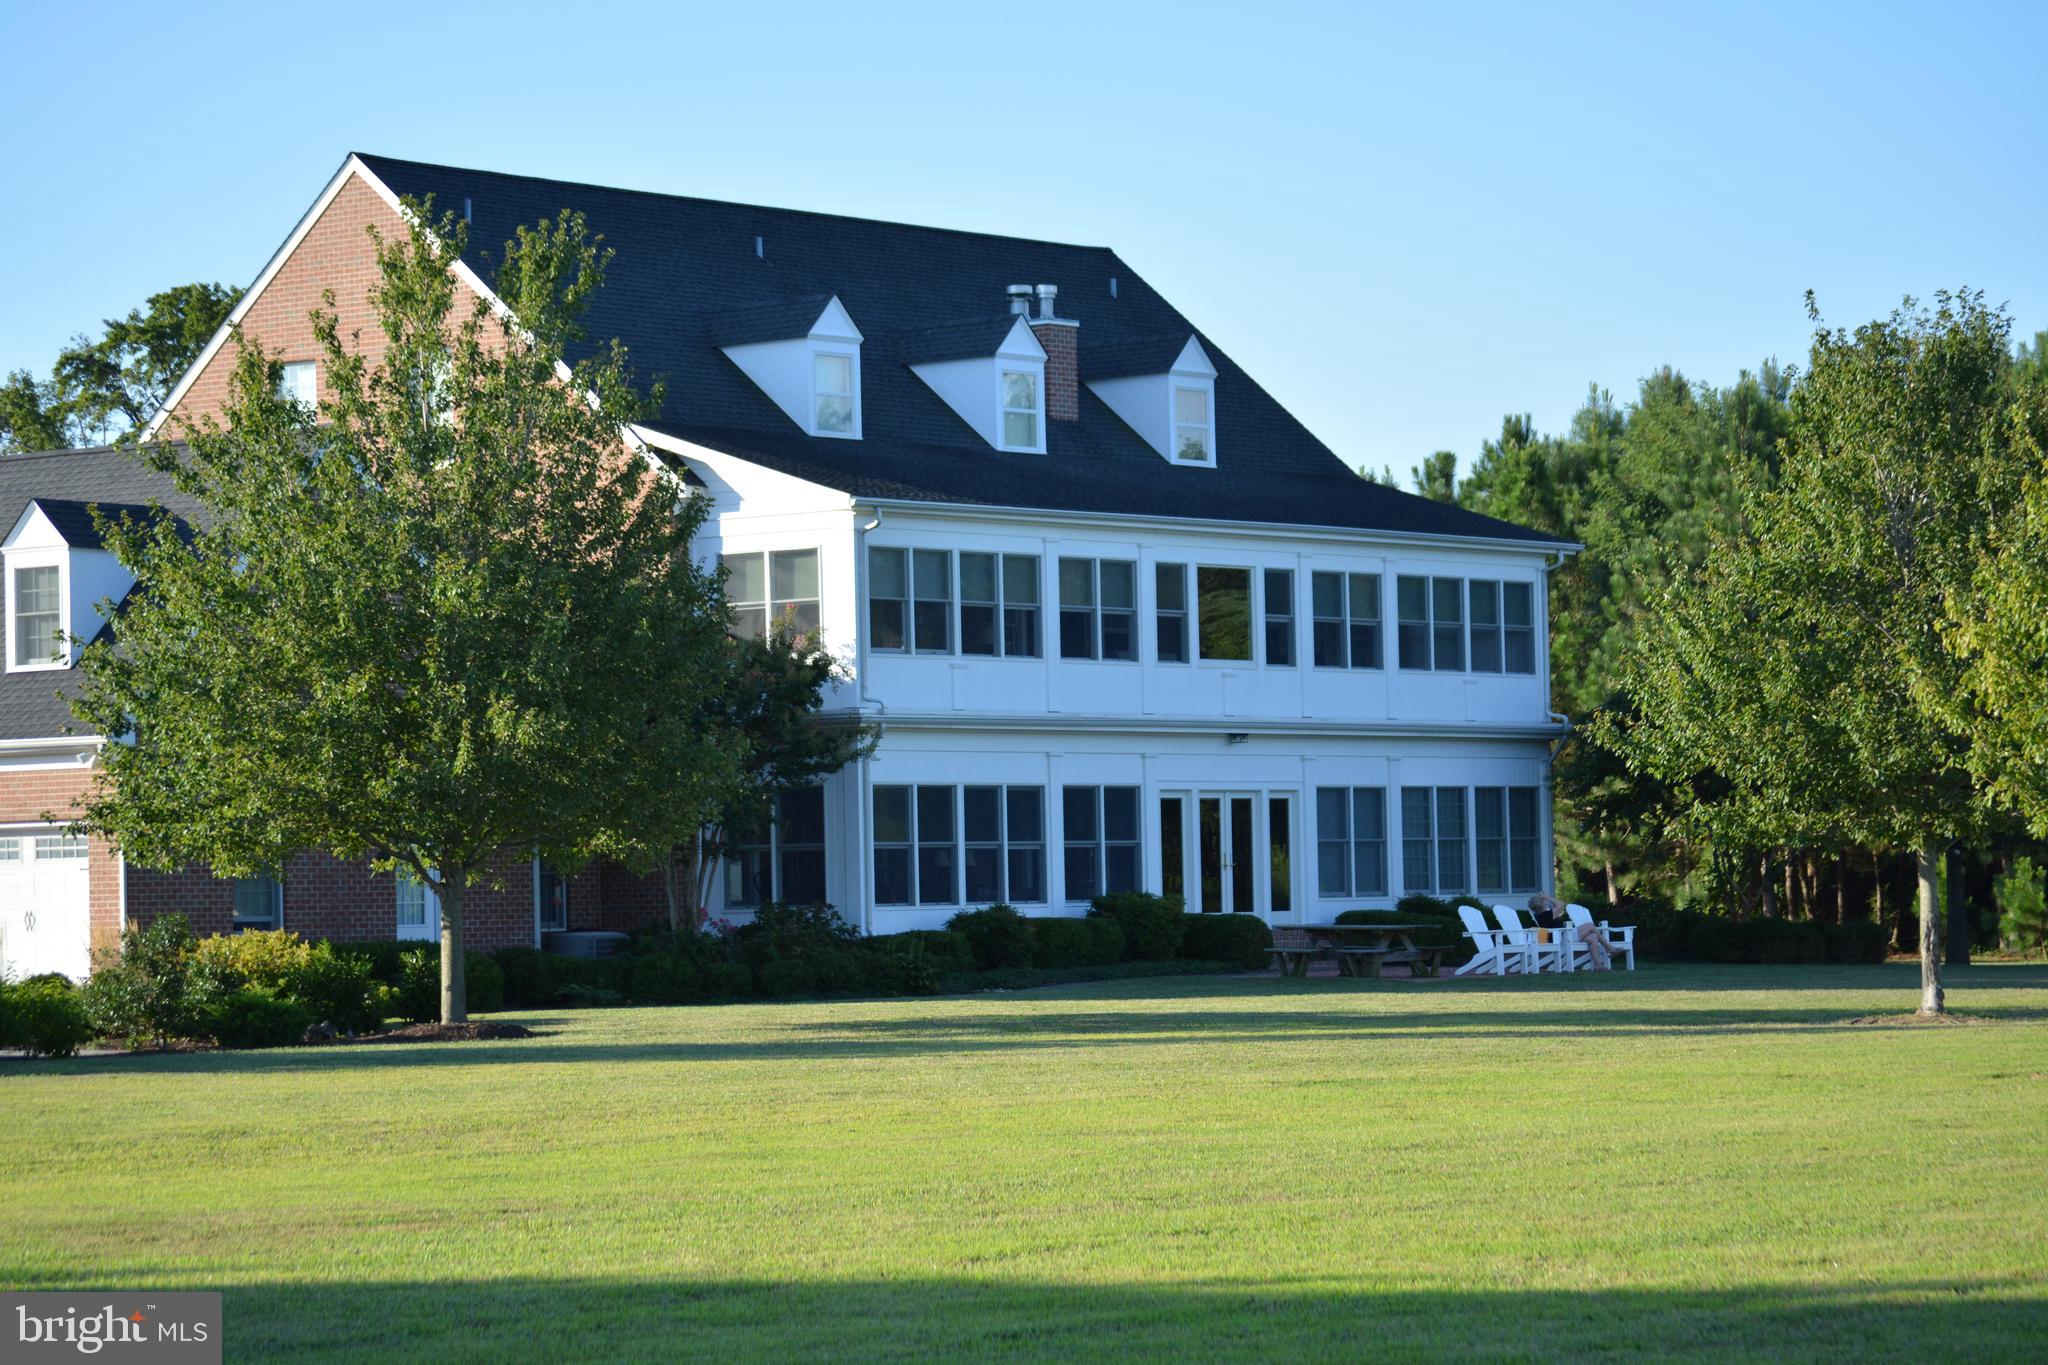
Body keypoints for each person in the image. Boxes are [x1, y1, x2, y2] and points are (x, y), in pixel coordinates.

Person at [1529, 893, 1610, 969]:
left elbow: (1555, 907)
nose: (1545, 900)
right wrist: (1547, 897)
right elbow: (1561, 904)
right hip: (1563, 938)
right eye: (1543, 900)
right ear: (1543, 904)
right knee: (1590, 926)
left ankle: (1598, 966)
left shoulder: (1539, 915)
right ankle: (1608, 947)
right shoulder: (1547, 915)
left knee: (1593, 937)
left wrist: (1543, 900)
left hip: (1562, 936)